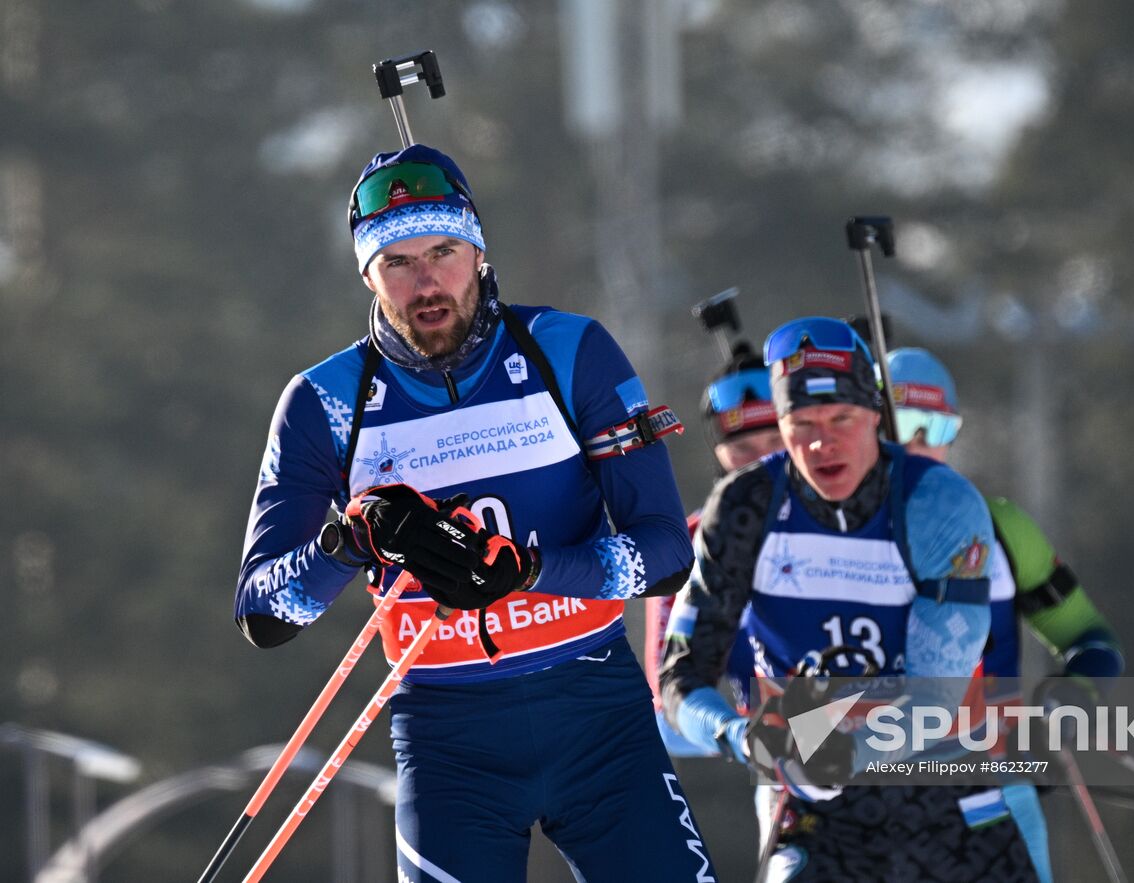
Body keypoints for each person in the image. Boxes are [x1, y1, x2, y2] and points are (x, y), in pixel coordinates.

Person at [233, 143, 715, 882]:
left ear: (480, 253)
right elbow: (265, 613)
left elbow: (665, 555)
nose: (426, 282)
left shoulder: (569, 350)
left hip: (597, 716)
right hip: (448, 738)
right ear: (367, 273)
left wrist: (530, 571)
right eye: (397, 261)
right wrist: (349, 538)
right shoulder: (323, 401)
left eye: (444, 251)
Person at [660, 316, 1005, 881]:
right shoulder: (744, 508)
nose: (822, 443)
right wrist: (742, 737)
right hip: (806, 797)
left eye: (842, 417)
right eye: (800, 423)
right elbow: (680, 680)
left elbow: (936, 701)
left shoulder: (938, 502)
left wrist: (841, 751)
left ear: (876, 416)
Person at [888, 345, 1126, 883]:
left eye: (937, 427)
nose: (920, 445)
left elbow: (1094, 642)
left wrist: (1064, 708)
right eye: (903, 425)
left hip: (993, 792)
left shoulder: (999, 528)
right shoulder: (833, 536)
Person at [643, 339, 784, 755]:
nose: (761, 465)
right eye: (742, 450)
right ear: (718, 455)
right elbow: (666, 707)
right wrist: (744, 736)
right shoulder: (688, 544)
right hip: (786, 767)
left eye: (776, 445)